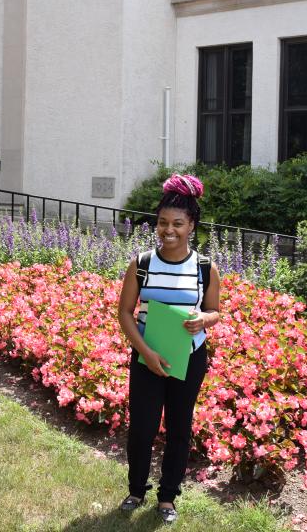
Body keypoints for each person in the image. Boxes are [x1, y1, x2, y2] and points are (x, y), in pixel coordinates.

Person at [117, 174, 221, 524]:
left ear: (192, 225)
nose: (169, 230)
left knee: (180, 427)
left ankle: (167, 498)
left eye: (177, 223)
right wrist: (145, 352)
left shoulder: (205, 268)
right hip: (147, 357)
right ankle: (135, 490)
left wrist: (203, 320)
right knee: (142, 428)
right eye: (163, 223)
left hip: (188, 357)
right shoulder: (142, 264)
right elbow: (124, 313)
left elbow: (215, 310)